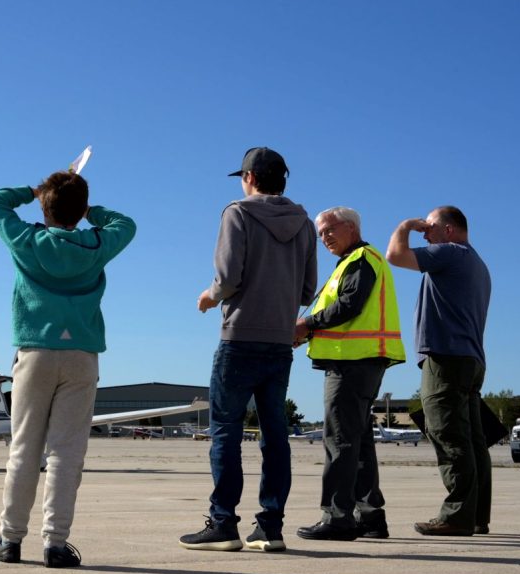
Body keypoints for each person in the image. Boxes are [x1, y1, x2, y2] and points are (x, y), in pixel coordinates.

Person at [0, 167, 136, 569]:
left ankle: (9, 539)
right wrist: (90, 211)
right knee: (66, 453)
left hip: (34, 351)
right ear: (81, 209)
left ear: (46, 209)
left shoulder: (28, 240)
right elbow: (126, 224)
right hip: (82, 354)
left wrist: (32, 192)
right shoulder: (97, 243)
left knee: (24, 450)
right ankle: (56, 543)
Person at [181, 147, 316, 553]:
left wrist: (209, 297)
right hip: (279, 341)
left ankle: (224, 523)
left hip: (239, 337)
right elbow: (308, 290)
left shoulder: (237, 213)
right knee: (275, 435)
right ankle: (270, 527)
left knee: (225, 430)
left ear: (250, 177)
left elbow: (228, 277)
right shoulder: (306, 224)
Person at [292, 207, 404, 541]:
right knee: (358, 442)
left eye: (329, 229)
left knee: (339, 439)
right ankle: (370, 517)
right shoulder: (356, 261)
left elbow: (349, 304)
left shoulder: (360, 260)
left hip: (353, 363)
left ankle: (337, 517)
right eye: (320, 233)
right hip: (361, 361)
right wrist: (308, 332)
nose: (324, 237)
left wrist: (306, 324)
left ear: (352, 228)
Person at [386, 205, 492, 536]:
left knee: (448, 433)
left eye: (430, 227)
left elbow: (395, 255)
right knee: (473, 440)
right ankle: (475, 515)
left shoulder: (450, 253)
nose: (424, 232)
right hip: (470, 360)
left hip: (446, 358)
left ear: (448, 230)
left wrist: (404, 225)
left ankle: (457, 515)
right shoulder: (477, 263)